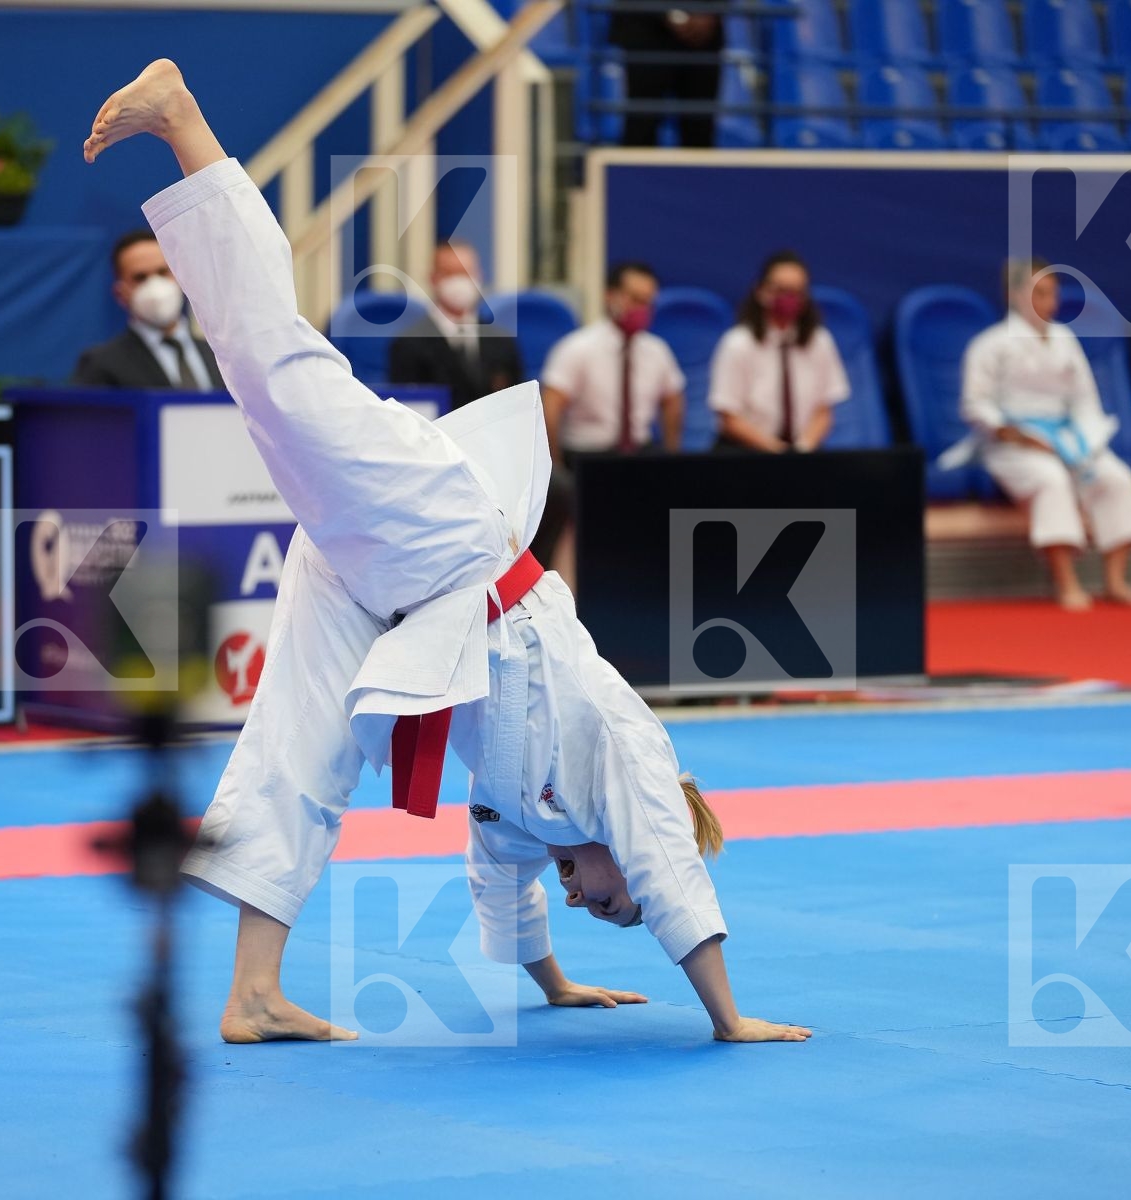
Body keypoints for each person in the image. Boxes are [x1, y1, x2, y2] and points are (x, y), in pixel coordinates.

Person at [84, 59, 809, 1048]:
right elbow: (670, 870)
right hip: (448, 542)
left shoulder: (536, 822)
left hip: (397, 598)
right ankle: (186, 123)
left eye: (593, 912)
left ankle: (253, 993)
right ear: (640, 851)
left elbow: (507, 892)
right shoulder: (633, 764)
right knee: (275, 375)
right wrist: (729, 1019)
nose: (590, 902)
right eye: (613, 902)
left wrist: (557, 985)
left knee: (300, 748)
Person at [957, 259, 1131, 610]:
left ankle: (1115, 581)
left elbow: (1085, 400)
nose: (1051, 301)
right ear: (1014, 295)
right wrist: (1017, 435)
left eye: (1053, 292)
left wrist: (1084, 440)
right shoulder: (989, 344)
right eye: (1041, 292)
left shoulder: (1065, 339)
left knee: (1117, 478)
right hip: (1012, 445)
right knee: (1051, 480)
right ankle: (1067, 582)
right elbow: (975, 405)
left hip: (1068, 438)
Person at [533, 262, 686, 567]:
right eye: (634, 299)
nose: (640, 309)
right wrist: (555, 464)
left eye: (647, 302)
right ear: (610, 295)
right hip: (587, 457)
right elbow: (550, 406)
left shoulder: (657, 351)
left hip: (638, 454)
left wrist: (672, 453)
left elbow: (673, 399)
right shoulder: (578, 348)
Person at [709, 251, 849, 454]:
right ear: (761, 291)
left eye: (797, 291)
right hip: (745, 451)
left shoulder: (820, 341)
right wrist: (777, 453)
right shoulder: (737, 343)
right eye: (781, 290)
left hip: (803, 450)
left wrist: (802, 449)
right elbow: (728, 417)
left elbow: (824, 410)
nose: (789, 299)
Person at [71, 228, 221, 389]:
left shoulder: (219, 353)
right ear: (120, 294)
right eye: (140, 278)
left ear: (181, 278)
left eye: (163, 272)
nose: (155, 285)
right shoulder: (100, 364)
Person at [387, 240, 525, 412]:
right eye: (450, 273)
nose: (460, 282)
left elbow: (517, 405)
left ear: (479, 276)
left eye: (467, 274)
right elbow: (408, 410)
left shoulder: (503, 342)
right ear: (433, 278)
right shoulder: (408, 345)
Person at [608, 4, 724, 148]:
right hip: (645, 34)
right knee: (642, 124)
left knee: (699, 128)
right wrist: (675, 14)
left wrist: (709, 9)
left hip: (703, 40)